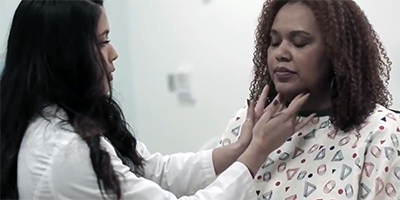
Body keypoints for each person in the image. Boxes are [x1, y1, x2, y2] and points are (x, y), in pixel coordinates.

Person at [0, 0, 315, 200]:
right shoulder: (65, 152)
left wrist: (239, 150)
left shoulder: (64, 122)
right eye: (103, 41)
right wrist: (258, 150)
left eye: (299, 42)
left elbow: (154, 170)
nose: (114, 53)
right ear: (67, 56)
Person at [217, 0, 400, 199]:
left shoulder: (380, 131)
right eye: (274, 42)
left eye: (299, 43)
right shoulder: (246, 123)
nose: (281, 53)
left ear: (336, 53)